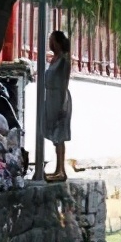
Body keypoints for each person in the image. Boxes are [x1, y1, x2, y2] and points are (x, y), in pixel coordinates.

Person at [43, 30, 72, 181]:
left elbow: (64, 82)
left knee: (60, 134)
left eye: (52, 40)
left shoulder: (64, 60)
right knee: (54, 135)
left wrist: (62, 105)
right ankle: (57, 169)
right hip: (51, 98)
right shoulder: (54, 59)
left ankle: (61, 170)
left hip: (60, 98)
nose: (50, 43)